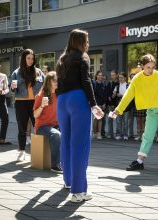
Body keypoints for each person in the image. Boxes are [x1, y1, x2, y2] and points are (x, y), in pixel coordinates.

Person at [56, 29, 104, 203]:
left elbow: (58, 85)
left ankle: (69, 182)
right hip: (77, 100)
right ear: (81, 42)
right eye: (86, 40)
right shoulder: (82, 57)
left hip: (62, 101)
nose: (88, 43)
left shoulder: (62, 60)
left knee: (66, 142)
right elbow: (86, 81)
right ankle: (78, 191)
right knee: (80, 145)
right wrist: (94, 104)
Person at [10, 49, 44, 161]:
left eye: (32, 58)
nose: (30, 60)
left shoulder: (38, 72)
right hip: (21, 102)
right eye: (28, 58)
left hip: (35, 102)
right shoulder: (16, 72)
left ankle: (40, 151)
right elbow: (11, 91)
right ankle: (22, 151)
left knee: (38, 126)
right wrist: (12, 87)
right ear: (24, 59)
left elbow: (44, 87)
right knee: (22, 128)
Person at [33, 71, 62, 173]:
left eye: (57, 80)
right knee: (56, 135)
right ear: (48, 82)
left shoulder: (59, 94)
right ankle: (55, 165)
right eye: (54, 80)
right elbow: (35, 115)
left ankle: (65, 162)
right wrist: (41, 106)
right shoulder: (41, 95)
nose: (57, 82)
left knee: (69, 133)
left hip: (55, 125)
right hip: (42, 127)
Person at [0, 60, 10, 145]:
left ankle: (2, 138)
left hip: (1, 98)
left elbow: (7, 89)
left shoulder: (3, 76)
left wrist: (2, 92)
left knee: (5, 119)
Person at [113, 72, 130, 140]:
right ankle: (118, 134)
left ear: (125, 78)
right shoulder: (117, 86)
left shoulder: (128, 86)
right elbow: (113, 96)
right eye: (119, 77)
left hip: (126, 106)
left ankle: (125, 135)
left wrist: (122, 95)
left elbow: (129, 96)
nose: (120, 79)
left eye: (121, 77)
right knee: (118, 121)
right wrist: (114, 94)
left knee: (125, 121)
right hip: (119, 105)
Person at [92, 71, 107, 139]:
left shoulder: (103, 84)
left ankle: (99, 134)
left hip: (102, 104)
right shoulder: (94, 84)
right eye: (99, 75)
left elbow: (105, 95)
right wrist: (96, 104)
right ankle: (94, 132)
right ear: (96, 76)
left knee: (100, 118)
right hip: (96, 104)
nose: (100, 77)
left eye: (101, 75)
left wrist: (104, 103)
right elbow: (93, 95)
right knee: (95, 119)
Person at [106, 70, 119, 138]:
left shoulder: (119, 83)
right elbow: (107, 93)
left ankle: (117, 134)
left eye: (113, 75)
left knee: (117, 120)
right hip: (111, 105)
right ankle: (110, 133)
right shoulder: (109, 83)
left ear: (117, 75)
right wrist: (110, 98)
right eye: (111, 75)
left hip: (117, 105)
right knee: (110, 119)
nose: (112, 76)